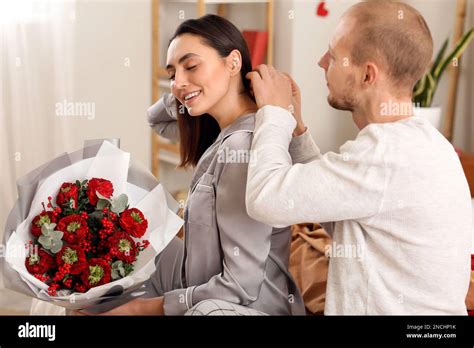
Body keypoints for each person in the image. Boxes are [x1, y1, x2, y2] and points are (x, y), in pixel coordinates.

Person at [245, 0, 472, 314]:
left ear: (368, 75)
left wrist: (271, 113)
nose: (322, 62)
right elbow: (341, 207)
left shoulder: (384, 151)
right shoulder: (427, 144)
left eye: (334, 56)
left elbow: (263, 199)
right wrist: (297, 132)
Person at [91, 14, 305, 316]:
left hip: (242, 305)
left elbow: (241, 287)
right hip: (202, 283)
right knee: (122, 253)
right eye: (172, 73)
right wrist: (191, 90)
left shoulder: (241, 147)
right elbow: (156, 119)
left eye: (191, 66)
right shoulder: (220, 128)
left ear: (233, 62)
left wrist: (142, 309)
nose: (177, 81)